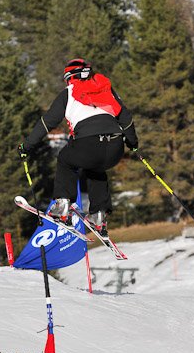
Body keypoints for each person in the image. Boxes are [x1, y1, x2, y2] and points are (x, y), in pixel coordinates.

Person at [19, 59, 139, 236]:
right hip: (115, 146)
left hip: (87, 144)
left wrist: (27, 146)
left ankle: (63, 206)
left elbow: (47, 123)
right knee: (97, 169)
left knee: (65, 160)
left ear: (69, 77)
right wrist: (132, 143)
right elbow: (126, 118)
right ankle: (98, 215)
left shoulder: (68, 93)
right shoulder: (106, 89)